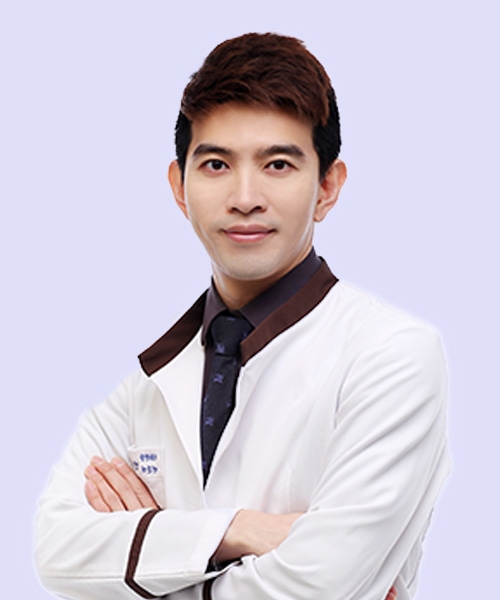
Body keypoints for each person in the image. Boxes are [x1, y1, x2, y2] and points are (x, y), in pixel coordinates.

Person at [34, 33, 450, 600]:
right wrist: (240, 530)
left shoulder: (394, 356)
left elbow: (318, 586)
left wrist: (152, 558)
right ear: (179, 187)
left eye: (278, 164)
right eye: (216, 164)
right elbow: (56, 552)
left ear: (327, 187)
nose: (245, 196)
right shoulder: (142, 391)